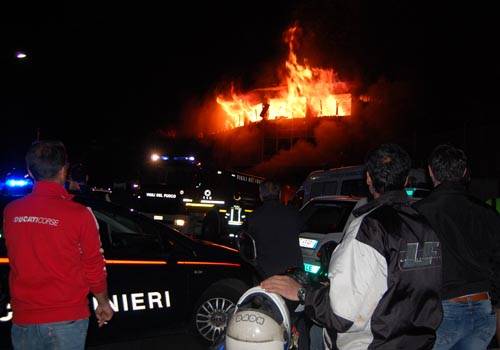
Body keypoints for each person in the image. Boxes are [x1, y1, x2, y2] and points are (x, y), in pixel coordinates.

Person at [262, 144, 443, 349]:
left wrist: (302, 292)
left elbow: (342, 315)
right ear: (406, 179)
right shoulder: (425, 226)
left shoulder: (370, 228)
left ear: (368, 178)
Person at [3, 140, 113, 350]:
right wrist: (103, 302)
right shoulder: (79, 215)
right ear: (64, 170)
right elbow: (93, 265)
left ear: (30, 171)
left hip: (23, 319)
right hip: (66, 318)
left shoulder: (11, 212)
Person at [414, 144, 500, 349]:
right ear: (464, 172)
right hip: (482, 308)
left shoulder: (419, 214)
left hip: (443, 310)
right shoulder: (487, 213)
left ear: (431, 172)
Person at [246, 180, 303, 279]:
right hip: (294, 274)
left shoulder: (253, 217)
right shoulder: (293, 213)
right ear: (280, 194)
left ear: (261, 196)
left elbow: (246, 245)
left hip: (267, 275)